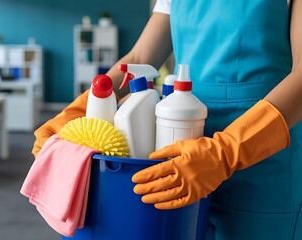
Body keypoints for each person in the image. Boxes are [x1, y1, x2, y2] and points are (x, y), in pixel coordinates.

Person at [32, 0, 302, 239]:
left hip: (263, 157)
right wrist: (78, 112)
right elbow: (139, 58)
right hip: (182, 143)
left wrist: (226, 152)